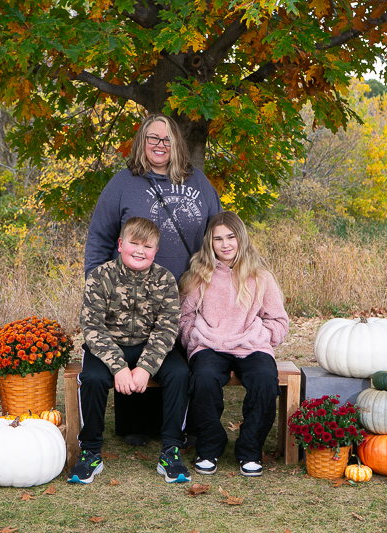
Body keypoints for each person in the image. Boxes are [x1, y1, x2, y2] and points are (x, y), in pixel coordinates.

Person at [84, 113, 222, 445]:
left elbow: (217, 232)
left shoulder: (198, 182)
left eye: (167, 139)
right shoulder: (123, 183)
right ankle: (138, 426)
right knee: (135, 344)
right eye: (153, 138)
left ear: (177, 144)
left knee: (181, 360)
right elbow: (100, 237)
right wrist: (96, 283)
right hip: (131, 295)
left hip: (189, 292)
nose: (160, 145)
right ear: (142, 142)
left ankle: (185, 428)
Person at [69, 217, 191, 484]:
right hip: (108, 346)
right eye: (134, 243)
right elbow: (92, 326)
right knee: (92, 378)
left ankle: (171, 450)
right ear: (120, 244)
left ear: (155, 250)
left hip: (149, 345)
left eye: (147, 246)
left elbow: (167, 328)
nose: (140, 251)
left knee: (180, 373)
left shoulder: (165, 279)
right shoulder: (100, 277)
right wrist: (119, 367)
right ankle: (91, 451)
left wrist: (146, 367)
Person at [178, 211, 289, 477]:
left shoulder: (260, 276)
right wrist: (193, 336)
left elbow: (278, 320)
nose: (225, 244)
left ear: (241, 238)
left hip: (251, 345)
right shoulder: (199, 275)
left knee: (265, 380)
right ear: (210, 242)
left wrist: (262, 335)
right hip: (209, 344)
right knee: (203, 379)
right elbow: (183, 316)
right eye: (218, 239)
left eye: (230, 237)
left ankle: (250, 450)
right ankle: (210, 446)